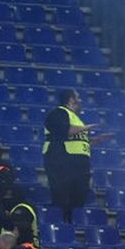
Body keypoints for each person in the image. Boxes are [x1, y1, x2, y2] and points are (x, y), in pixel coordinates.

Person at [42, 89, 109, 223]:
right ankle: (60, 223)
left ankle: (72, 222)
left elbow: (75, 139)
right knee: (62, 195)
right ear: (71, 99)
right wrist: (87, 128)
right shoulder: (59, 112)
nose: (80, 100)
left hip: (78, 164)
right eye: (78, 97)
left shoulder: (76, 117)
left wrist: (94, 140)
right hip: (62, 160)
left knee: (78, 195)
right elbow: (63, 130)